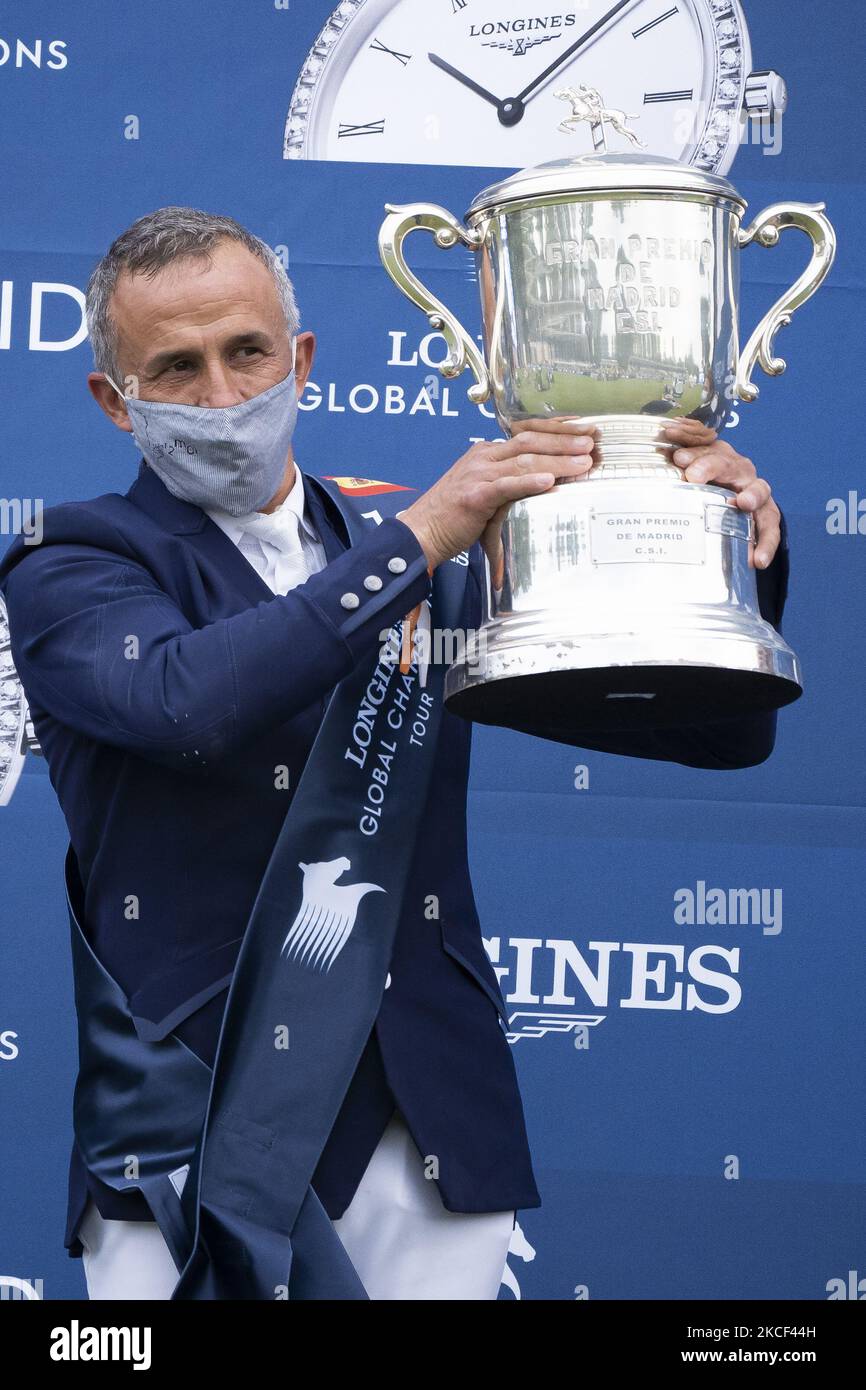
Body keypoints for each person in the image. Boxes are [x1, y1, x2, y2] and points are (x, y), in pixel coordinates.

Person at [0, 208, 787, 1300]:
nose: (224, 396)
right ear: (112, 399)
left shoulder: (401, 547)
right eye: (175, 369)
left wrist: (727, 560)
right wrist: (414, 544)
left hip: (425, 1125)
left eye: (247, 352)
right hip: (194, 1127)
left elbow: (717, 733)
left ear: (302, 359)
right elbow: (186, 701)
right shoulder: (70, 559)